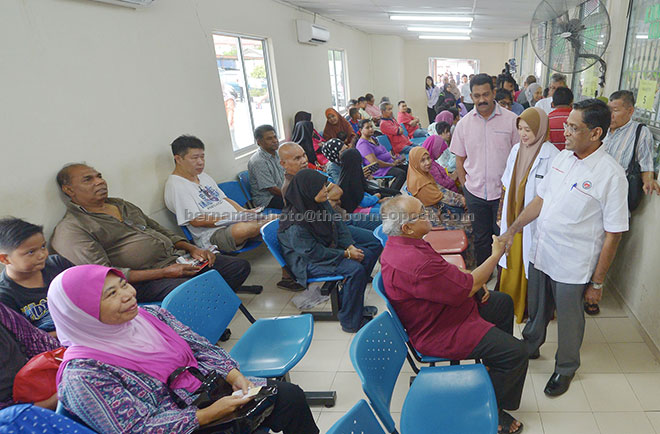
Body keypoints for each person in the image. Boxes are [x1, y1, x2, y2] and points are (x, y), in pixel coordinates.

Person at [49, 265, 319, 434]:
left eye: (123, 284)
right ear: (80, 313)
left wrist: (235, 378)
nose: (128, 294)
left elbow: (200, 348)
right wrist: (208, 415)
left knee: (288, 395)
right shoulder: (84, 375)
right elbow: (135, 429)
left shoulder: (149, 315)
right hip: (181, 422)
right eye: (111, 294)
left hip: (208, 393)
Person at [499, 99, 629, 397]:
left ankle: (566, 367)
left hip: (573, 263)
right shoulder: (562, 158)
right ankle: (530, 346)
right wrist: (513, 229)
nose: (565, 131)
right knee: (538, 308)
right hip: (542, 251)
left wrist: (597, 282)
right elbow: (540, 200)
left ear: (596, 133)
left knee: (569, 318)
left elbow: (613, 234)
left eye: (573, 126)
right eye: (566, 124)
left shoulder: (611, 175)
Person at [380, 195, 527, 434]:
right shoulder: (413, 261)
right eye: (421, 214)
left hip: (442, 309)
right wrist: (494, 256)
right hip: (439, 329)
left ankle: (494, 368)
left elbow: (447, 274)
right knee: (516, 353)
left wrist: (472, 282)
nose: (428, 215)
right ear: (406, 227)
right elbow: (465, 286)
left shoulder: (404, 243)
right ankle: (495, 408)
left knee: (502, 303)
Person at [51, 163, 257, 302]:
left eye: (99, 176)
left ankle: (208, 312)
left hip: (176, 261)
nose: (99, 182)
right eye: (88, 180)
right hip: (142, 280)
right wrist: (165, 273)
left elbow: (158, 229)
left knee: (237, 267)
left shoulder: (121, 204)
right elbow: (105, 275)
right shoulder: (72, 228)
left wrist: (192, 249)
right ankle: (195, 318)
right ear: (69, 190)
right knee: (196, 289)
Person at [278, 170, 381, 333]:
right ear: (308, 191)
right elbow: (312, 253)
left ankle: (348, 303)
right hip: (306, 262)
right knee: (355, 270)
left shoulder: (318, 202)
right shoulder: (295, 224)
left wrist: (349, 245)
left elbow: (338, 224)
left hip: (323, 248)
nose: (326, 190)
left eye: (324, 186)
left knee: (365, 256)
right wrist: (346, 254)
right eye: (321, 188)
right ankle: (350, 322)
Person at [498, 108, 560, 324]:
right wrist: (502, 213)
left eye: (528, 130)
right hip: (513, 214)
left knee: (532, 265)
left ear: (541, 129)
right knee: (512, 258)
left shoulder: (552, 155)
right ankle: (512, 306)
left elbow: (551, 195)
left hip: (535, 221)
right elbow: (507, 182)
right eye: (521, 129)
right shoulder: (516, 149)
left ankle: (530, 309)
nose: (523, 135)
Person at [450, 73, 520, 265]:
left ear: (494, 92)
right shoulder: (463, 125)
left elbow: (519, 158)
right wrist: (466, 187)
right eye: (477, 95)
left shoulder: (512, 121)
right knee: (480, 239)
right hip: (475, 193)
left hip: (504, 195)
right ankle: (484, 279)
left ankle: (501, 281)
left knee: (503, 238)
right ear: (470, 97)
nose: (482, 99)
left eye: (486, 94)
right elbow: (459, 160)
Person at [164, 135, 273, 254]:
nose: (200, 162)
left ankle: (266, 224)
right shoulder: (176, 186)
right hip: (214, 234)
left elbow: (224, 199)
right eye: (194, 158)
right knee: (244, 229)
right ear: (178, 159)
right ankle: (264, 224)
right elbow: (195, 220)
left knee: (276, 217)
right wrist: (228, 219)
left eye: (202, 157)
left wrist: (244, 212)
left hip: (234, 221)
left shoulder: (203, 176)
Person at [0, 218, 73, 335]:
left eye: (43, 246)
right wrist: (70, 332)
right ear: (5, 259)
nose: (42, 255)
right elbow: (25, 340)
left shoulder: (57, 264)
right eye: (31, 252)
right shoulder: (4, 296)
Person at [0, 302, 60, 410]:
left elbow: (37, 339)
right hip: (21, 415)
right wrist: (55, 400)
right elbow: (7, 415)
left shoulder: (2, 313)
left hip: (46, 381)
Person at [605, 90, 660, 196]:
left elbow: (646, 164)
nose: (610, 115)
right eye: (609, 110)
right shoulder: (601, 128)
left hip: (617, 193)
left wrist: (648, 180)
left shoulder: (640, 132)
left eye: (615, 111)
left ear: (630, 111)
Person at [407, 147, 468, 231]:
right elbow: (443, 197)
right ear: (416, 163)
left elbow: (441, 189)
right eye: (422, 160)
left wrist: (461, 198)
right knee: (471, 222)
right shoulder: (421, 184)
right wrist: (463, 201)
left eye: (428, 158)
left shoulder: (420, 175)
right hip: (435, 221)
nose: (428, 162)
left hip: (436, 213)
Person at [356, 119, 408, 191]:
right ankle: (391, 194)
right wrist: (392, 164)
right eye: (367, 128)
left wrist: (395, 159)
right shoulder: (363, 144)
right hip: (379, 169)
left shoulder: (373, 139)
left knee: (407, 167)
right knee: (401, 174)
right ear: (361, 130)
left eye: (371, 126)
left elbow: (384, 153)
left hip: (388, 163)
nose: (371, 129)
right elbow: (375, 163)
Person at [248, 124, 286, 209]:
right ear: (259, 142)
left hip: (281, 192)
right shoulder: (258, 161)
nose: (275, 141)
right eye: (269, 139)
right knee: (300, 203)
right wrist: (292, 195)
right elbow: (272, 189)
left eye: (275, 137)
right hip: (267, 199)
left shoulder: (278, 153)